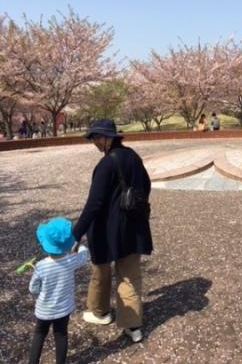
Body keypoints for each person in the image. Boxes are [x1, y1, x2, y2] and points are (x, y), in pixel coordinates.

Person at [72, 119, 153, 343]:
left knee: (101, 270)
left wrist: (76, 234)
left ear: (110, 137)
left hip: (107, 229)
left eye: (98, 137)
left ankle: (100, 312)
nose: (95, 142)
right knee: (130, 276)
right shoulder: (133, 156)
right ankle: (133, 326)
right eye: (93, 138)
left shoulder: (106, 164)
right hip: (134, 226)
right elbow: (146, 184)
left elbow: (94, 204)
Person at [28, 217, 88, 364]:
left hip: (44, 310)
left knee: (39, 334)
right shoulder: (71, 261)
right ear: (67, 244)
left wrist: (39, 289)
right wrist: (80, 246)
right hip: (63, 309)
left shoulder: (41, 266)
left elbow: (33, 289)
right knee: (61, 335)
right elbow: (85, 255)